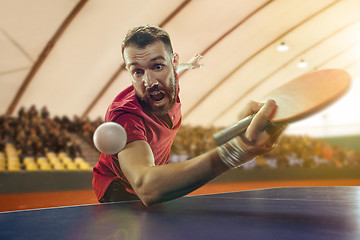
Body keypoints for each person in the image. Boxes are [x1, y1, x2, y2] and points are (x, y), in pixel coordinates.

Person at [92, 25, 285, 206]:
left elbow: (175, 69)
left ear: (172, 62)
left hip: (153, 175)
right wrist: (237, 150)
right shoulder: (126, 116)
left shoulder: (171, 76)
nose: (149, 81)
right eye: (137, 71)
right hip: (119, 187)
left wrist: (189, 65)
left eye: (158, 66)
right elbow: (145, 186)